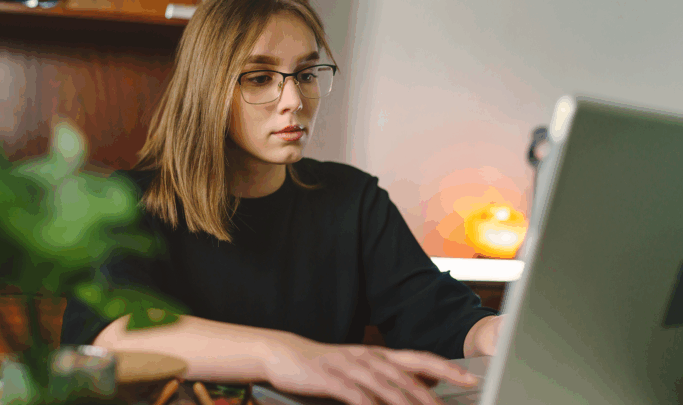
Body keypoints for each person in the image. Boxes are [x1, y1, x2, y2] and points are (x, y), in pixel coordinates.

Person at [61, 1, 505, 404]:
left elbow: (441, 316)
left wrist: (500, 334)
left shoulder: (353, 200)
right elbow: (110, 334)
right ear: (207, 87)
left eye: (307, 75)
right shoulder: (129, 201)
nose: (294, 101)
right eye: (260, 78)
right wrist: (281, 354)